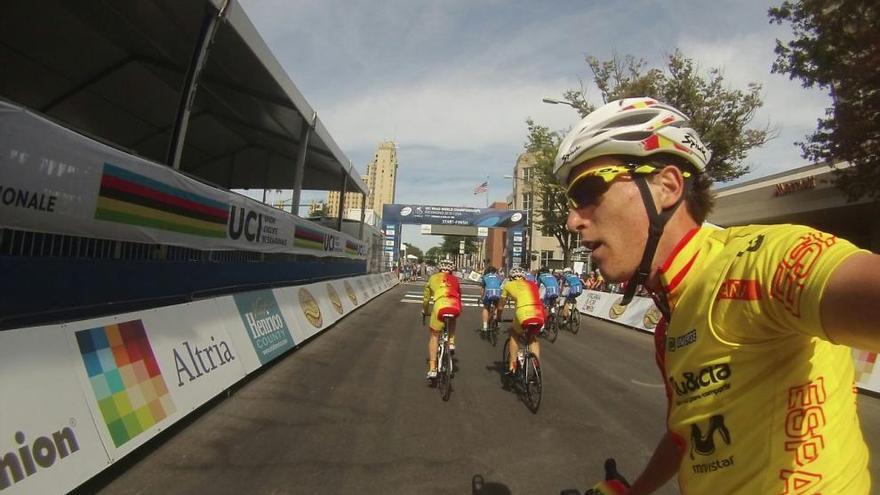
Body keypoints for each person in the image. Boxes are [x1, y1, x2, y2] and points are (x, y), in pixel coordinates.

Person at [554, 96, 880, 494]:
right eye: (571, 203)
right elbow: (687, 434)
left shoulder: (758, 261)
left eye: (589, 191)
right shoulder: (670, 320)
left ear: (667, 186)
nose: (573, 220)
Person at [497, 266, 545, 374]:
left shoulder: (508, 285)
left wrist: (498, 317)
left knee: (514, 334)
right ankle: (536, 365)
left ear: (510, 277)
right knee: (532, 338)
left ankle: (512, 365)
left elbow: (501, 306)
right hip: (538, 312)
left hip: (523, 312)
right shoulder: (533, 284)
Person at [421, 259, 462, 380]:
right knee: (453, 317)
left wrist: (425, 310)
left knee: (434, 335)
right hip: (454, 304)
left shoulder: (433, 278)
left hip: (439, 306)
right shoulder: (456, 280)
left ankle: (433, 367)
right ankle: (451, 341)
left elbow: (426, 299)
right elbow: (460, 295)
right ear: (452, 271)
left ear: (439, 269)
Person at [479, 265, 504, 335]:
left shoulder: (485, 277)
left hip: (489, 294)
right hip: (497, 293)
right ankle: (497, 321)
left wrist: (481, 297)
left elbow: (482, 289)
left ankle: (485, 326)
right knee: (497, 306)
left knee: (486, 308)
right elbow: (501, 286)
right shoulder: (499, 277)